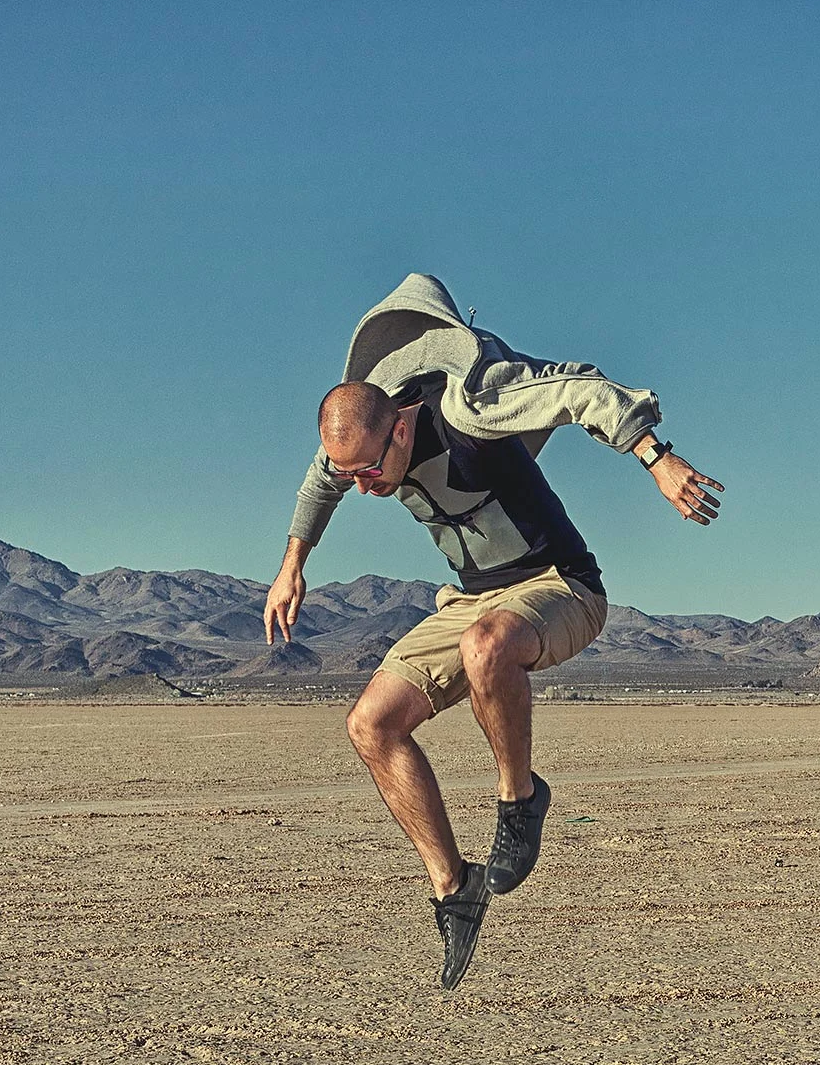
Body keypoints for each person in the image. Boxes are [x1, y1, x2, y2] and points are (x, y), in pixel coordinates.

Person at [263, 274, 723, 988]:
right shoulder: (359, 444)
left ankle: (519, 800)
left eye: (368, 470)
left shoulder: (472, 406)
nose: (361, 487)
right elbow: (318, 485)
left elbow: (582, 389)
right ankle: (455, 888)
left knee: (488, 649)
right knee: (370, 724)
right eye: (350, 473)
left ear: (402, 426)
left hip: (558, 586)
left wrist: (657, 460)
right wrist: (292, 566)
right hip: (469, 601)